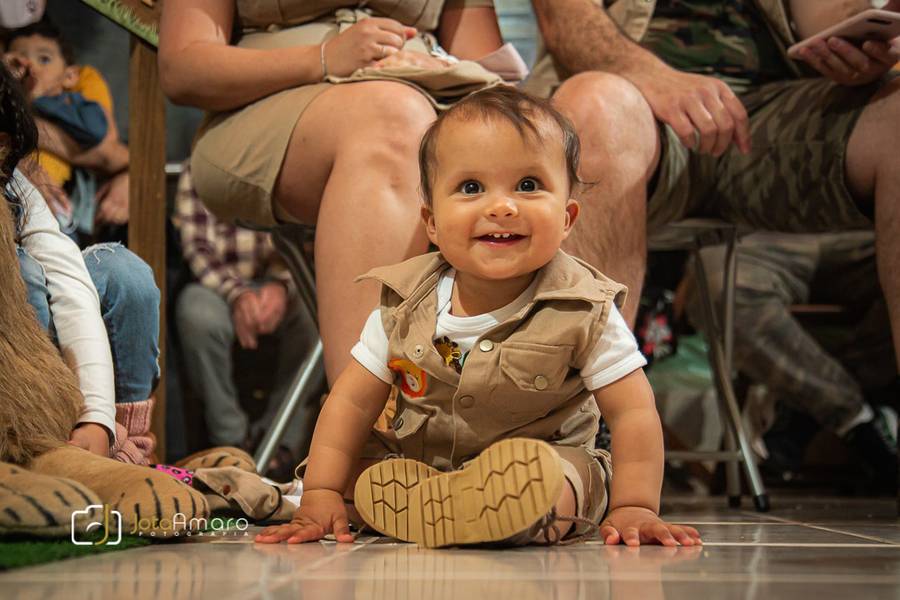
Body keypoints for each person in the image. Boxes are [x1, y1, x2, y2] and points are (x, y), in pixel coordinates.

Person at [255, 87, 703, 548]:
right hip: (422, 460)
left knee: (564, 484)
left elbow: (631, 412)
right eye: (471, 188)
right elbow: (350, 403)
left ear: (568, 217)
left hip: (544, 456)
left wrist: (635, 505)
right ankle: (428, 503)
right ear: (431, 221)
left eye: (528, 186)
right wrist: (322, 491)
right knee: (364, 471)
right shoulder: (405, 302)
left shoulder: (584, 306)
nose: (501, 206)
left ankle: (508, 507)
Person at [524, 0, 900, 381]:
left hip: (767, 112)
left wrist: (858, 39)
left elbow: (828, 12)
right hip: (633, 100)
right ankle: (586, 416)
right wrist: (652, 75)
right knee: (596, 103)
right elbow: (565, 21)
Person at [158, 0, 512, 387]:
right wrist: (323, 57)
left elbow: (486, 63)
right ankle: (361, 428)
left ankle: (542, 413)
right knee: (395, 122)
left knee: (565, 127)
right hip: (273, 102)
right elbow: (183, 66)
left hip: (433, 100)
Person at [0, 62, 160, 465]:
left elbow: (68, 277)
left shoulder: (15, 186)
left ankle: (121, 443)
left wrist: (97, 420)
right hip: (18, 398)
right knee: (26, 274)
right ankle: (34, 448)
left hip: (58, 376)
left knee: (122, 272)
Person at [688, 230, 897, 482]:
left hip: (869, 228)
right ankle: (857, 420)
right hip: (757, 231)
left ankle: (801, 400)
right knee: (716, 282)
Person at [172, 165, 318, 477]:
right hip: (220, 285)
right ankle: (232, 441)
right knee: (195, 313)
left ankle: (281, 443)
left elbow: (306, 238)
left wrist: (281, 284)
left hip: (278, 281)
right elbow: (197, 247)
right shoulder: (199, 168)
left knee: (317, 315)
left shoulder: (289, 161)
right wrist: (238, 295)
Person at [5, 18, 131, 243]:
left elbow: (100, 139)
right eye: (20, 60)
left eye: (44, 59)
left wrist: (40, 98)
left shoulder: (71, 105)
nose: (30, 67)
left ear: (70, 76)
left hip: (60, 211)